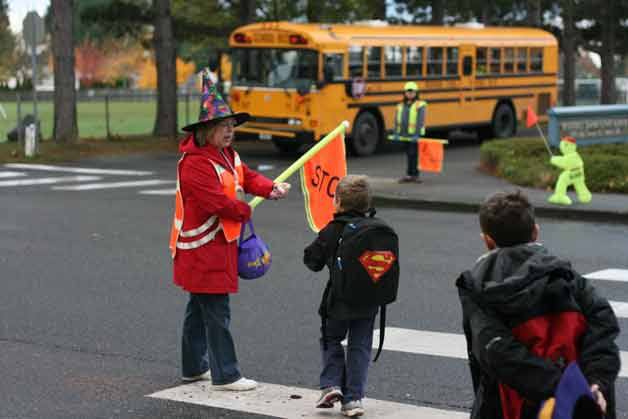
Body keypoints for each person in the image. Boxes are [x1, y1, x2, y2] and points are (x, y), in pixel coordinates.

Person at [169, 69, 290, 391]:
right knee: (216, 312)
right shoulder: (194, 163)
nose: (229, 131)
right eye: (223, 126)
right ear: (206, 130)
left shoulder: (226, 154)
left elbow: (246, 176)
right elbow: (215, 202)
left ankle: (194, 368)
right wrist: (245, 209)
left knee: (199, 310)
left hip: (217, 244)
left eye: (231, 126)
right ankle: (226, 375)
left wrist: (270, 188)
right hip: (202, 248)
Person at [456, 191, 620, 419]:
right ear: (535, 232)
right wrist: (593, 383)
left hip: (511, 405)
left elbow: (495, 350)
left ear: (487, 241)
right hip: (580, 404)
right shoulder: (566, 276)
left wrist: (559, 386)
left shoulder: (477, 287)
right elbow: (603, 326)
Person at [303, 175, 380, 418]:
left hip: (338, 301)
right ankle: (354, 399)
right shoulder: (378, 229)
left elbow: (312, 261)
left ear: (337, 202)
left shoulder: (333, 229)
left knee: (331, 338)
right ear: (367, 205)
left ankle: (331, 384)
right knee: (360, 346)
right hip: (368, 302)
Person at [392, 81, 427, 184]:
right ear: (405, 93)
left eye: (412, 92)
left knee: (413, 154)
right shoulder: (400, 105)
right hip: (404, 135)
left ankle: (414, 175)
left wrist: (416, 134)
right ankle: (409, 175)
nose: (410, 94)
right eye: (408, 92)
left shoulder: (420, 105)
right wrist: (396, 133)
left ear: (416, 93)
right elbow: (396, 120)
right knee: (409, 154)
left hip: (414, 135)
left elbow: (420, 121)